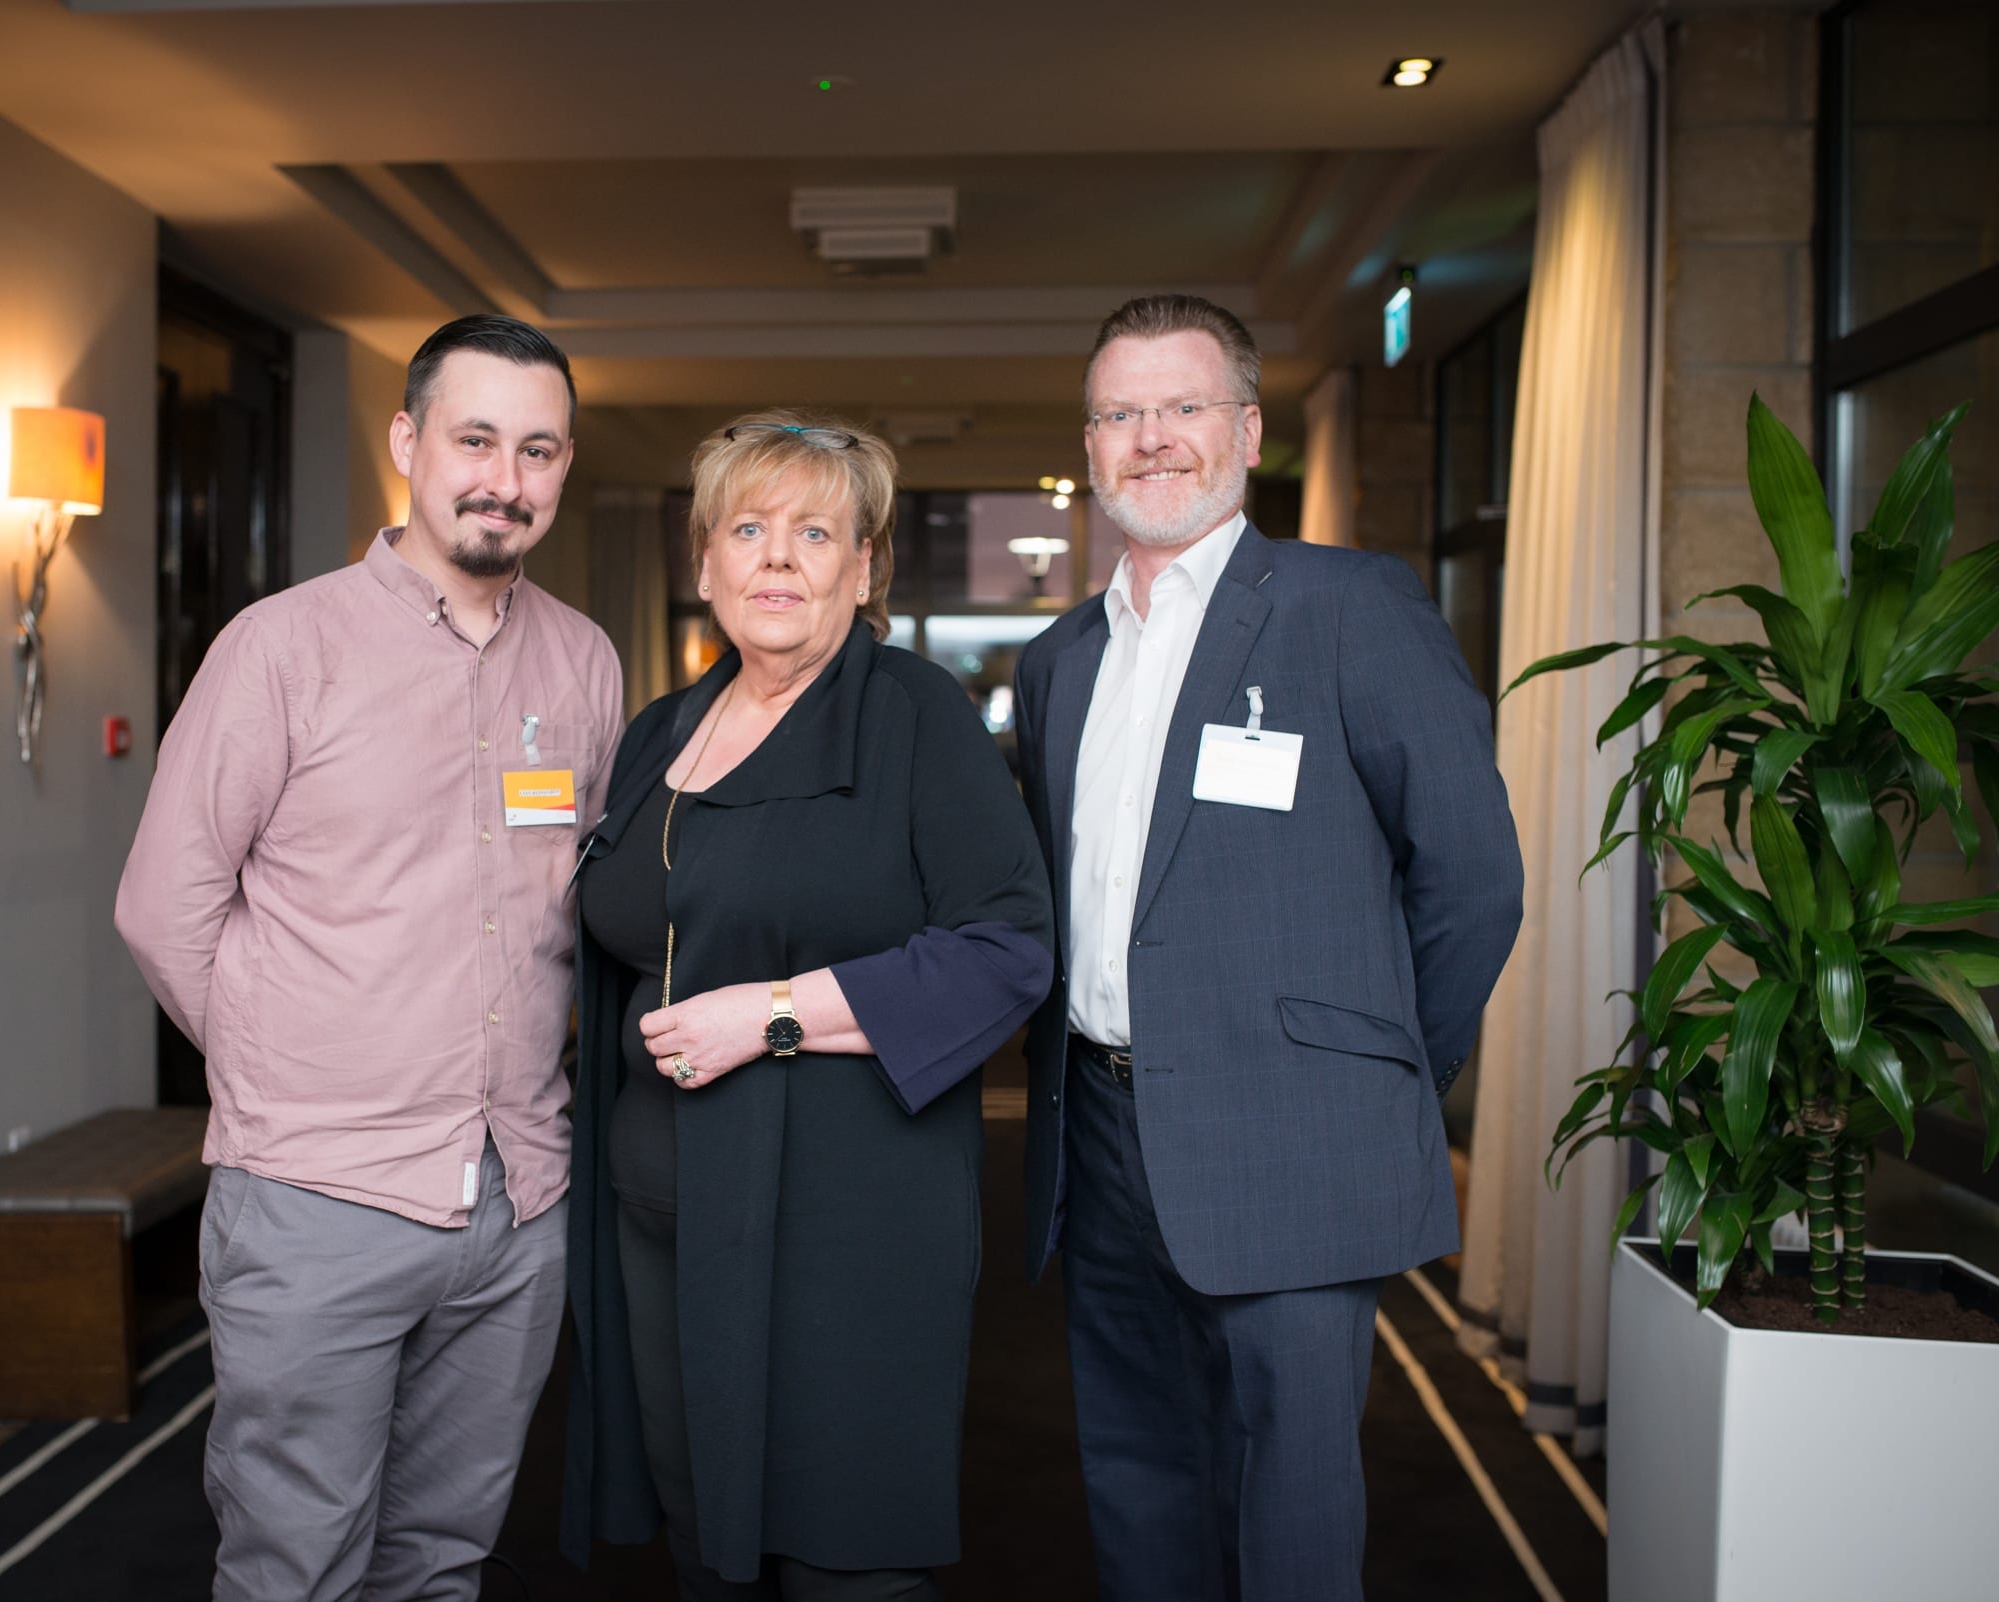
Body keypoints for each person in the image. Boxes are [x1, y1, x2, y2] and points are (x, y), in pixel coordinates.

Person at [1012, 295, 1524, 1602]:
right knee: (1138, 1485)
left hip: (1296, 1144)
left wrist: (1374, 1072)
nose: (1154, 438)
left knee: (1293, 1514)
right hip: (1105, 1138)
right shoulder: (1059, 660)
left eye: (1183, 406)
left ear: (1245, 427)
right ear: (1089, 443)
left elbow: (1473, 879)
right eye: (1122, 413)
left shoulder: (1347, 606)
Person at [115, 314, 622, 1602]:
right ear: (408, 442)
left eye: (539, 449)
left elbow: (585, 898)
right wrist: (295, 1071)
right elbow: (165, 906)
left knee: (441, 1563)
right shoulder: (282, 648)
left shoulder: (584, 661)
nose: (505, 478)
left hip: (516, 1201)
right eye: (475, 439)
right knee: (297, 1569)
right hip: (316, 1200)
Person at [562, 412, 1053, 1600]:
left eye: (815, 532)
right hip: (662, 1220)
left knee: (843, 1558)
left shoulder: (914, 717)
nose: (778, 558)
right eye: (748, 528)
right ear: (705, 564)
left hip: (845, 1226)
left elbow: (1008, 951)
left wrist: (770, 1014)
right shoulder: (657, 734)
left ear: (864, 567)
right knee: (705, 1545)